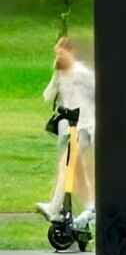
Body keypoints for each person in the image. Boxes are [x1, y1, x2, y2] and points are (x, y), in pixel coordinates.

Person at [37, 37, 96, 225]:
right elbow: (47, 97)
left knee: (66, 166)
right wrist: (55, 76)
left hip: (84, 128)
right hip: (67, 129)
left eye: (61, 53)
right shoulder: (61, 73)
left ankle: (54, 207)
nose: (59, 56)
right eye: (56, 53)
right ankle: (91, 207)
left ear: (70, 52)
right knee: (76, 172)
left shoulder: (82, 73)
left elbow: (98, 93)